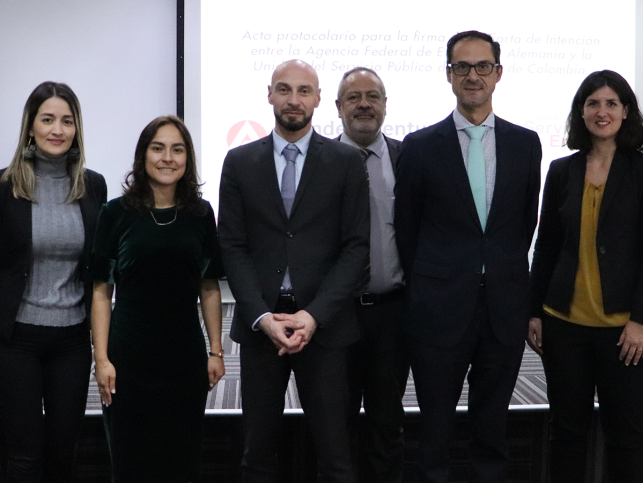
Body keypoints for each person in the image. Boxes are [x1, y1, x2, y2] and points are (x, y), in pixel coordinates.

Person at [393, 30, 542, 483]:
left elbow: (524, 222)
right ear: (448, 75)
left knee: (492, 425)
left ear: (498, 74)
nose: (472, 76)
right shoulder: (419, 146)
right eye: (462, 67)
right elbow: (407, 228)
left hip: (504, 306)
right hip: (438, 307)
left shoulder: (525, 143)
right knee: (434, 427)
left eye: (482, 66)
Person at [217, 59, 369, 483]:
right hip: (261, 326)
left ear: (320, 99)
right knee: (256, 453)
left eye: (304, 91)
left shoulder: (344, 161)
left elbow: (356, 249)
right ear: (269, 94)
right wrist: (262, 317)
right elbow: (232, 246)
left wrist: (313, 315)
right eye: (284, 89)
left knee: (335, 455)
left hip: (325, 326)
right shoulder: (239, 162)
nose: (294, 100)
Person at [526, 70, 643, 482]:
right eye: (592, 103)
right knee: (567, 432)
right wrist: (534, 310)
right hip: (563, 327)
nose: (601, 111)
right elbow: (547, 246)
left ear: (625, 112)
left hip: (625, 332)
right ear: (581, 112)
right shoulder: (561, 170)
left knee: (624, 434)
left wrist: (642, 320)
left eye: (611, 103)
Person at [0, 81, 106, 482]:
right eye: (47, 119)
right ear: (31, 126)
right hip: (14, 340)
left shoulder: (93, 185)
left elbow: (98, 272)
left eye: (67, 120)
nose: (57, 129)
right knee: (25, 456)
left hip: (72, 341)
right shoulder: (0, 187)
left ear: (77, 128)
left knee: (64, 453)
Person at [91, 115, 225, 482]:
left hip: (185, 358)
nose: (168, 158)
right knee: (132, 463)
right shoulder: (115, 213)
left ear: (188, 158)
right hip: (129, 357)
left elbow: (209, 286)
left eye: (177, 149)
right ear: (143, 156)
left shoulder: (201, 214)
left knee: (181, 462)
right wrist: (101, 359)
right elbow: (102, 291)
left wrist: (216, 350)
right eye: (158, 148)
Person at [334, 66, 409, 483]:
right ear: (339, 106)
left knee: (386, 423)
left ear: (384, 104)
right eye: (354, 97)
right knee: (335, 422)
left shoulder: (407, 157)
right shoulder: (320, 160)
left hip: (392, 316)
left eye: (373, 96)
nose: (364, 104)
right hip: (336, 314)